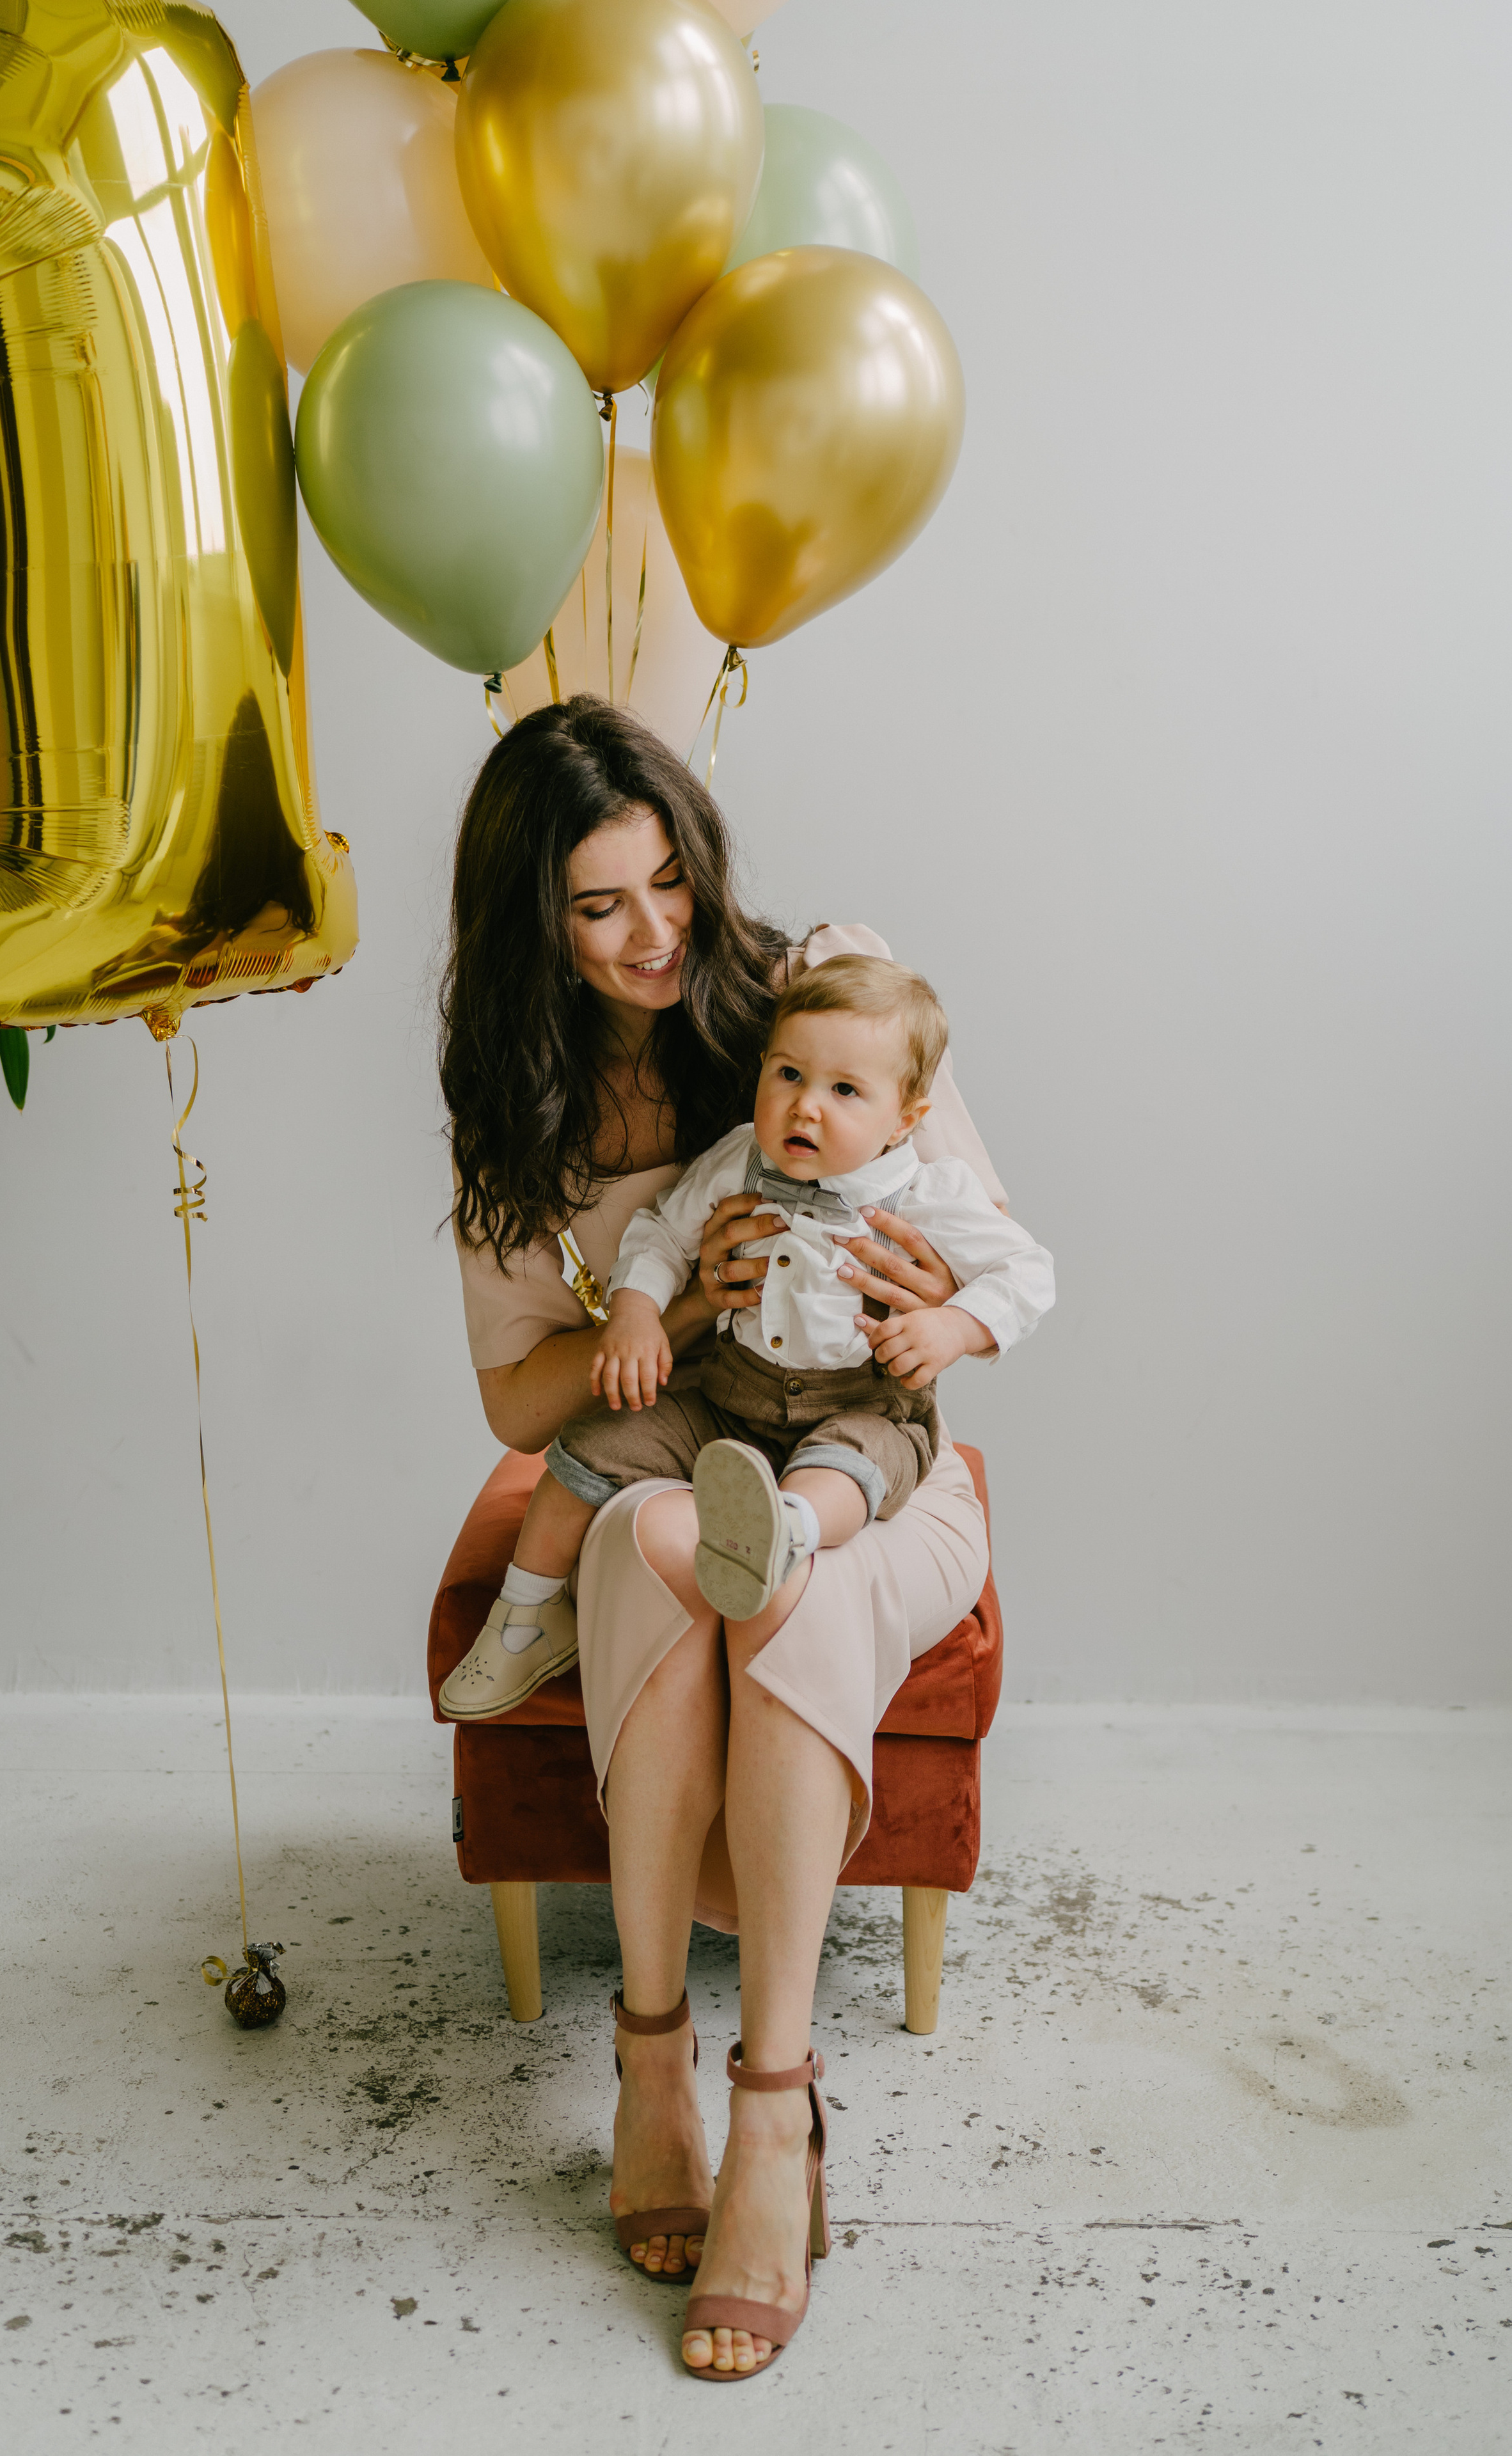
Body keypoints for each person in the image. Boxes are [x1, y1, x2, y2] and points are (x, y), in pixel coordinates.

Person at [439, 697, 1046, 2381]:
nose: (653, 938)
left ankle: (770, 2110)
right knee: (646, 1537)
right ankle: (650, 2061)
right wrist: (664, 1307)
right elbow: (516, 1400)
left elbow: (970, 1236)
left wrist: (912, 1297)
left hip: (866, 1462)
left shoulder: (821, 990)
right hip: (689, 1440)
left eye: (668, 885)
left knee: (794, 1580)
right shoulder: (527, 1109)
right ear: (532, 927)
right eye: (597, 907)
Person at [440, 954, 1052, 1718]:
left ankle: (784, 1532)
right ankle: (525, 1617)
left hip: (861, 1407)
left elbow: (1027, 1271)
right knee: (583, 1455)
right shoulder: (739, 1159)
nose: (806, 1108)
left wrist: (954, 1326)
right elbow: (660, 1233)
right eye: (789, 1075)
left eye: (845, 1091)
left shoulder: (927, 1191)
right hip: (729, 1398)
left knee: (847, 1472)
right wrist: (633, 1313)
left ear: (905, 1118)